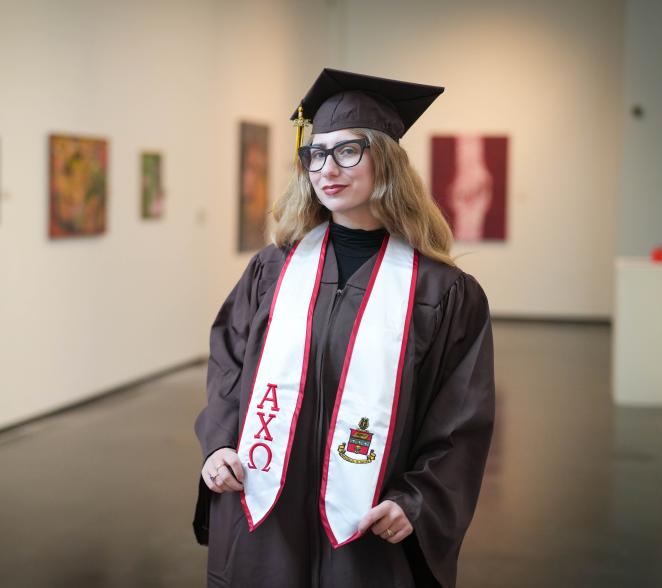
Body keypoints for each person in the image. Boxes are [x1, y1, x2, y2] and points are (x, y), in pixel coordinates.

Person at [193, 68, 495, 588]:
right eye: (316, 154)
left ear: (388, 160)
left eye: (348, 150)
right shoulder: (273, 270)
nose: (327, 168)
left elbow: (460, 421)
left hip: (367, 531)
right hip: (267, 518)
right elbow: (228, 362)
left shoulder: (443, 292)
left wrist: (416, 501)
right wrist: (219, 445)